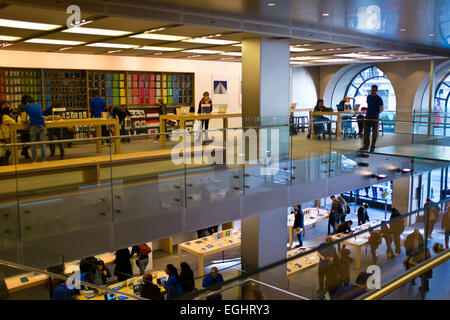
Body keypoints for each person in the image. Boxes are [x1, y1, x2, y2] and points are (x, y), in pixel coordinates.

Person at [22, 95, 46, 162]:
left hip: (33, 126)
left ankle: (35, 159)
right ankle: (44, 159)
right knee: (42, 144)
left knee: (33, 144)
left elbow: (25, 116)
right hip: (42, 125)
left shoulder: (26, 106)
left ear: (25, 102)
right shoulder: (38, 105)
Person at [360, 85, 383, 152]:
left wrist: (377, 113)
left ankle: (372, 146)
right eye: (371, 90)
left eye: (374, 90)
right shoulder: (368, 97)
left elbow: (381, 108)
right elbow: (368, 105)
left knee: (374, 133)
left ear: (376, 91)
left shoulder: (379, 98)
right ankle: (366, 146)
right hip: (367, 117)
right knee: (366, 132)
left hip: (374, 118)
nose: (372, 91)